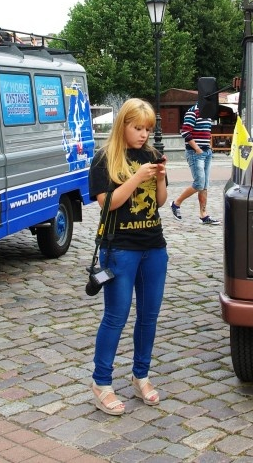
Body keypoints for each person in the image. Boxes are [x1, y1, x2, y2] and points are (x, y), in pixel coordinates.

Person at [87, 98, 168, 416]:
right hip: (120, 248)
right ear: (123, 125)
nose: (143, 135)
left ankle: (141, 376)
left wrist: (160, 177)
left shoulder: (150, 155)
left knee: (149, 317)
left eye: (148, 129)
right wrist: (136, 178)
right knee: (116, 317)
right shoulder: (105, 158)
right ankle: (101, 383)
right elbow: (108, 204)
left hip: (154, 247)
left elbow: (160, 203)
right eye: (138, 128)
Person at [169, 102, 219, 224]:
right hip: (195, 153)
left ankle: (203, 214)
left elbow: (206, 132)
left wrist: (208, 148)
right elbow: (185, 132)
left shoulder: (207, 114)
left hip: (206, 152)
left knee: (205, 185)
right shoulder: (193, 111)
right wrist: (197, 149)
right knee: (199, 184)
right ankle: (176, 204)